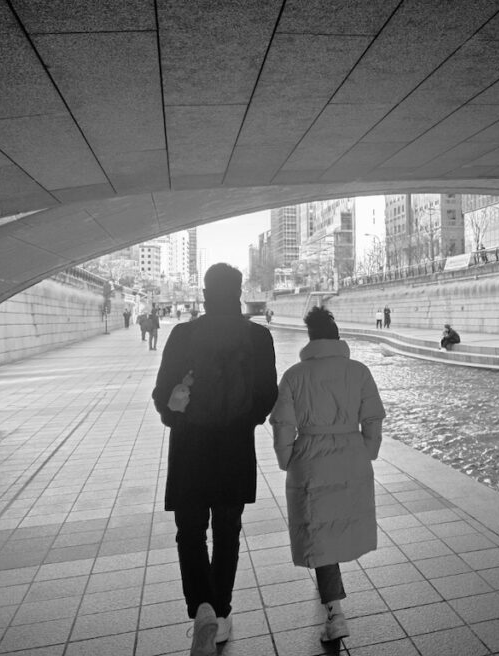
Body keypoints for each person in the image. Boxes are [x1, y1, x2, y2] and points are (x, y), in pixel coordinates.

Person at [152, 263, 278, 655]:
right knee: (227, 533)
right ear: (238, 292)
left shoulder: (183, 335)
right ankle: (220, 614)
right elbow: (266, 395)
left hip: (190, 449)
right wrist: (244, 421)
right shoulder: (258, 337)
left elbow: (162, 395)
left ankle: (201, 607)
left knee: (190, 533)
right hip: (234, 449)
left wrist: (174, 411)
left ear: (205, 293)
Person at [271, 307, 385, 643]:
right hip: (351, 454)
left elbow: (282, 425)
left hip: (309, 457)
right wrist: (367, 451)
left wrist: (287, 459)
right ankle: (331, 598)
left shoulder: (294, 376)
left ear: (310, 340)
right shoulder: (359, 372)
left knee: (319, 531)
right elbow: (374, 419)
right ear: (337, 338)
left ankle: (335, 613)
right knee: (339, 524)